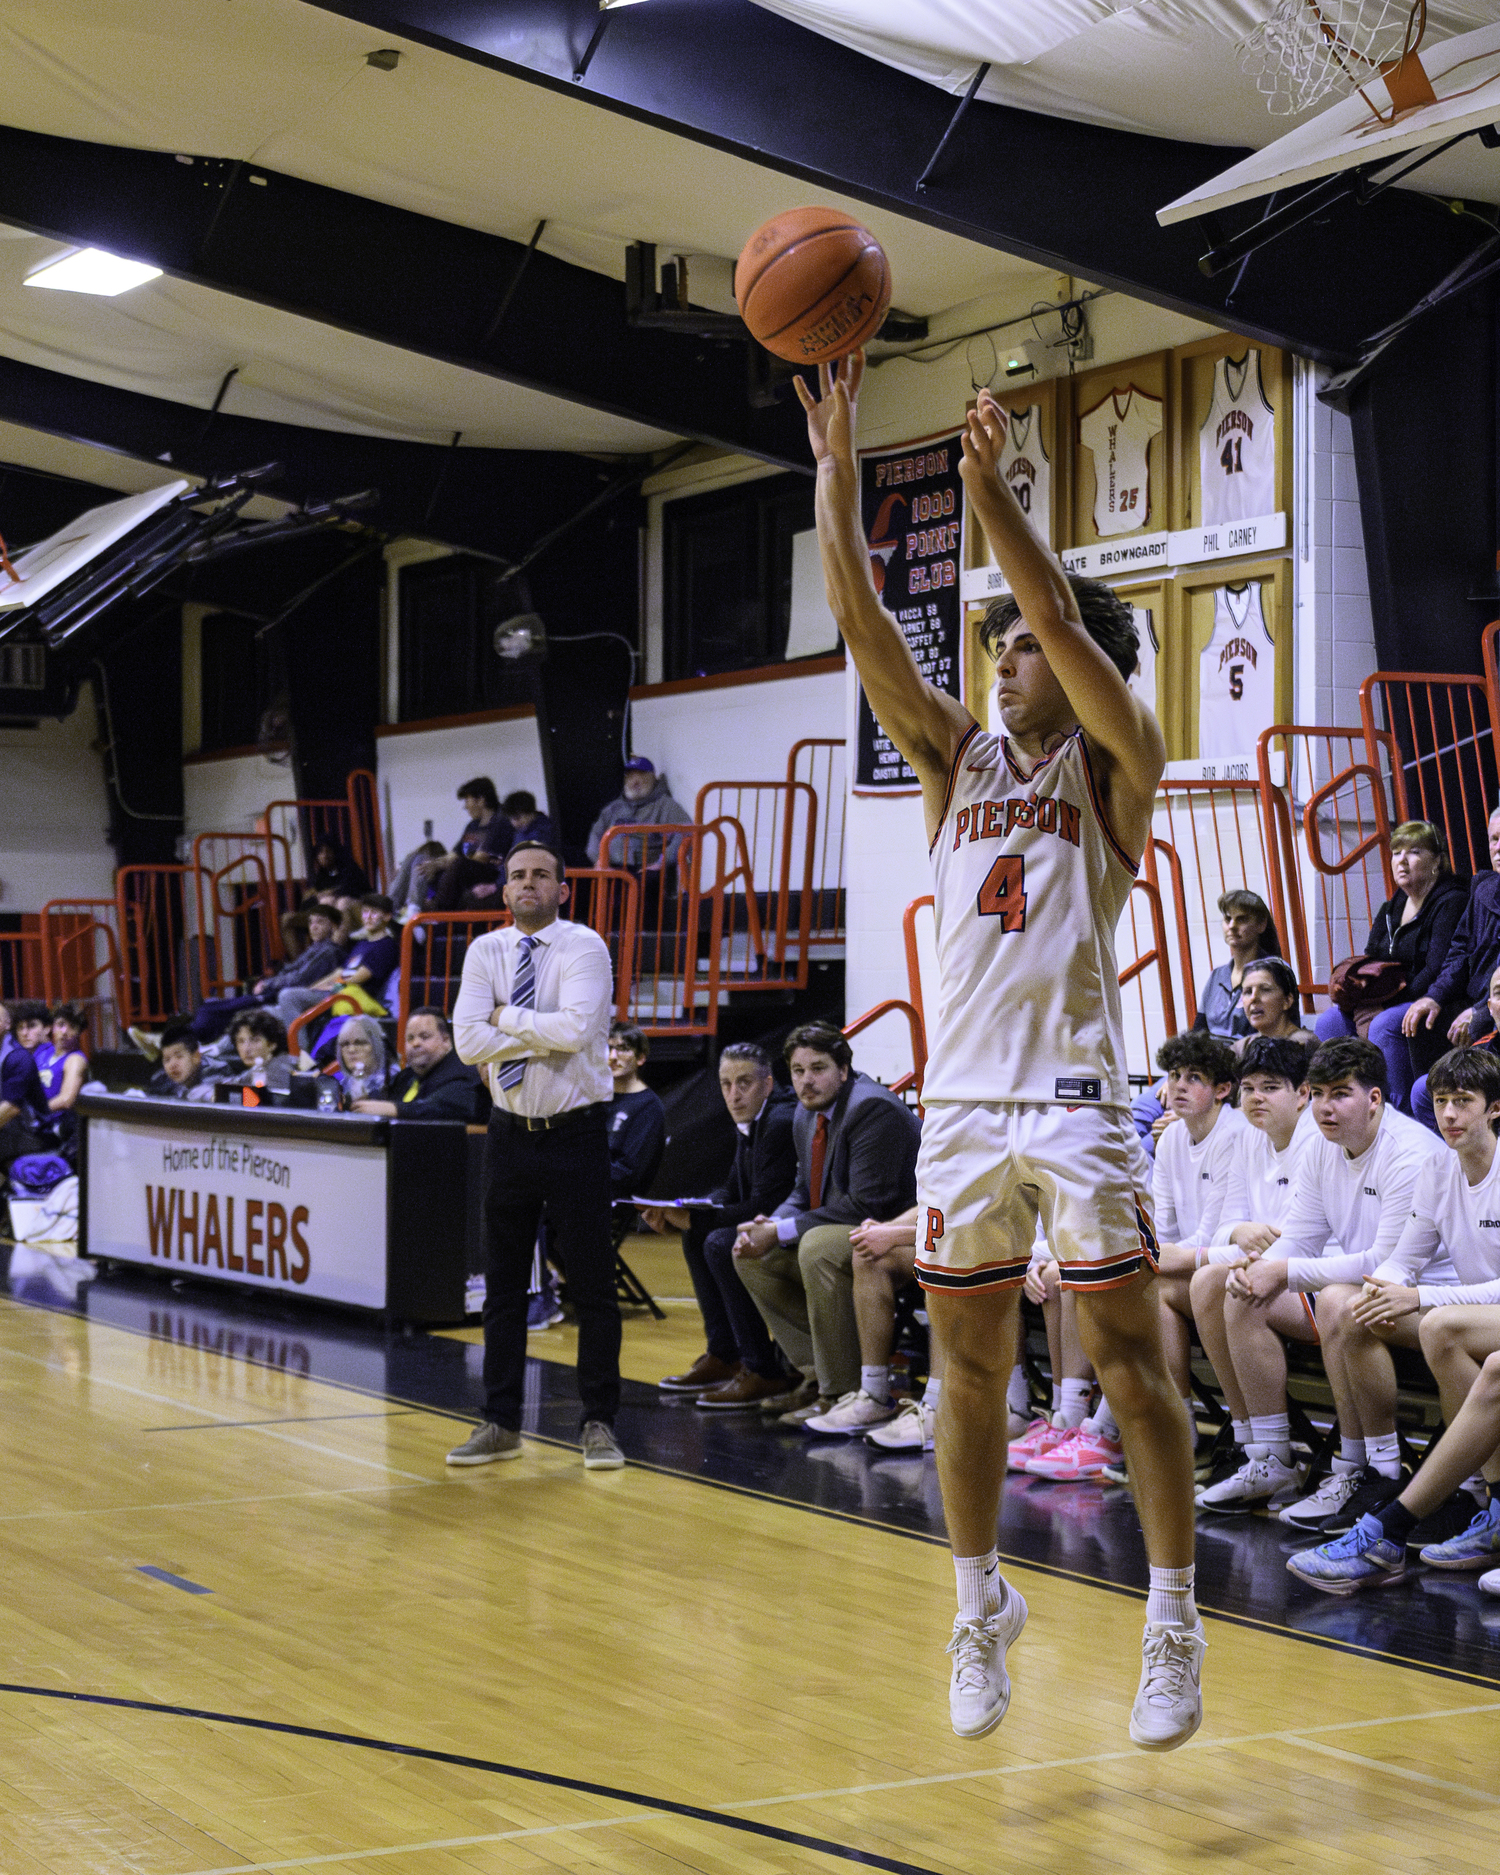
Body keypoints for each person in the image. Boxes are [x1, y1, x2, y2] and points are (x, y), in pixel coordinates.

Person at [799, 357, 1198, 1748]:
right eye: (1001, 646)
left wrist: (993, 494)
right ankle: (979, 1606)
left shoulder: (1120, 757)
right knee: (967, 1368)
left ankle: (1171, 1616)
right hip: (963, 1103)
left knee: (1136, 1363)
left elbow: (1051, 609)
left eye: (1022, 644)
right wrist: (839, 474)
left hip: (1080, 1098)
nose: (1003, 655)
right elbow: (863, 633)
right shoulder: (955, 757)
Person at [1286, 1047, 1500, 1592]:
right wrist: (1388, 1286)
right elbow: (1405, 1257)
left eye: (1464, 1103)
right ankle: (1383, 1473)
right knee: (1356, 1309)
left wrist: (1419, 1294)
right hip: (1472, 1311)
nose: (1449, 1115)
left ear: (1494, 1109)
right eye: (1443, 1102)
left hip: (1475, 1307)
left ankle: (1449, 1507)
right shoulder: (1437, 1169)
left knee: (1438, 1325)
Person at [447, 840, 625, 1471]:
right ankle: (498, 1423)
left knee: (592, 1287)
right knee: (502, 1285)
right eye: (518, 875)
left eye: (541, 876)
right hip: (508, 1131)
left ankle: (599, 1422)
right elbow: (467, 1043)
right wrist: (528, 1025)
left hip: (575, 1130)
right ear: (503, 890)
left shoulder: (584, 946)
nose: (529, 884)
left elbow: (577, 1030)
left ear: (562, 889)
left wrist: (503, 1015)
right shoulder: (484, 950)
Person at [1221, 1038, 1445, 1537]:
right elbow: (1301, 1235)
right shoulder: (1323, 1147)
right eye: (1319, 1093)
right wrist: (1260, 1267)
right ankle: (1272, 1457)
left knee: (1342, 1301)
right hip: (1369, 1297)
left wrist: (1283, 1272)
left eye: (1341, 1093)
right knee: (1235, 1291)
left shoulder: (1410, 1154)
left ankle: (1377, 1470)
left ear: (1374, 1100)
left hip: (1429, 1298)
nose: (1325, 1106)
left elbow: (1386, 1264)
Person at [730, 1023, 921, 1428]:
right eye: (798, 1071)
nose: (806, 1080)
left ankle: (844, 1390)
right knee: (751, 1255)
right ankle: (818, 1377)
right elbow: (803, 1189)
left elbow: (868, 1205)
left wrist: (782, 1232)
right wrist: (772, 1222)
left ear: (844, 1070)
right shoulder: (806, 1112)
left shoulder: (873, 1109)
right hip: (845, 1227)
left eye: (818, 1068)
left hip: (899, 1232)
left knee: (815, 1246)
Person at [1188, 1036, 1317, 1511]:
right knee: (1206, 1282)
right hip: (1267, 1267)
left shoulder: (1315, 1140)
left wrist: (1253, 1253)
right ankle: (1252, 1448)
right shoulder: (1246, 1138)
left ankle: (1276, 1459)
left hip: (1315, 1277)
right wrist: (1241, 1230)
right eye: (1248, 1088)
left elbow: (1306, 1238)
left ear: (1302, 1093)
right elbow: (1225, 1225)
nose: (1256, 1098)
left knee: (1238, 1292)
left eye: (1270, 1087)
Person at [652, 1043, 802, 1409]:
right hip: (778, 1218)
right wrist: (689, 1207)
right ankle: (725, 1354)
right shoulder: (752, 1116)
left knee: (718, 1242)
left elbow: (766, 1203)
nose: (733, 1095)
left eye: (744, 1083)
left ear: (768, 1084)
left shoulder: (780, 1121)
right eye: (725, 1084)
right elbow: (734, 1188)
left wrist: (699, 1218)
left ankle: (763, 1369)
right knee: (699, 1234)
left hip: (801, 1223)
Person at [1314, 820, 1466, 1111]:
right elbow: (1372, 957)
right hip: (1391, 997)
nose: (1402, 861)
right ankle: (1338, 1103)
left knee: (1384, 1024)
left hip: (1433, 999)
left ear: (1437, 860)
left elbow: (1436, 969)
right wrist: (1360, 997)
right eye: (1397, 853)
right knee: (1329, 1021)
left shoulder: (1452, 901)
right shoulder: (1392, 906)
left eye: (1414, 852)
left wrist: (1383, 1005)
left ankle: (1395, 1112)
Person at [1403, 805, 1500, 1078]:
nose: (1498, 847)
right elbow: (1459, 952)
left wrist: (1480, 1011)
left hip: (1491, 1007)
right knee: (1422, 1020)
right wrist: (1434, 996)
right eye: (1494, 839)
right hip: (1476, 999)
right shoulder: (1484, 889)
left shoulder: (1453, 896)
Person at [192, 901, 347, 1044]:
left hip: (280, 994)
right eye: (311, 922)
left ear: (333, 927)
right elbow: (290, 971)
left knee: (213, 1010)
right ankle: (198, 1041)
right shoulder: (316, 948)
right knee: (211, 1005)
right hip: (275, 991)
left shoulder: (328, 951)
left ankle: (192, 1039)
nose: (313, 926)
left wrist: (268, 983)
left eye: (319, 922)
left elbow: (300, 979)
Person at [275, 894, 400, 1034]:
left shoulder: (386, 946)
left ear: (387, 917)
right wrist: (313, 989)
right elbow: (339, 972)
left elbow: (356, 979)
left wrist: (329, 988)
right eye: (365, 912)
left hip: (352, 997)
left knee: (287, 996)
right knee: (275, 1011)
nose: (368, 917)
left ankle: (299, 1053)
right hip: (337, 991)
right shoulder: (362, 943)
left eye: (374, 913)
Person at [353, 1007, 487, 1121]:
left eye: (424, 1037)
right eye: (410, 1038)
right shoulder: (405, 1077)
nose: (415, 1043)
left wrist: (395, 1109)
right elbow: (377, 1100)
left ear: (446, 1041)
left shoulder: (463, 1071)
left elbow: (443, 1107)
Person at [586, 757, 690, 870]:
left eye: (642, 774)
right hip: (612, 869)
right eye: (630, 776)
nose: (635, 781)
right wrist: (599, 860)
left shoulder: (665, 805)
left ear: (653, 778)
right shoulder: (614, 808)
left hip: (645, 872)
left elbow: (686, 831)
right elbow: (596, 833)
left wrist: (660, 863)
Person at [427, 778, 514, 911]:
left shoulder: (501, 821)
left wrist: (449, 862)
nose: (465, 806)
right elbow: (454, 853)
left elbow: (482, 857)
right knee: (426, 865)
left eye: (467, 800)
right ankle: (411, 909)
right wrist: (436, 864)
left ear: (481, 800)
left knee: (459, 865)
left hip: (492, 871)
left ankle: (438, 913)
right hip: (469, 869)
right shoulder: (472, 825)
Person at [605, 1022, 666, 1204]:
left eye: (623, 1049)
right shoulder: (596, 1098)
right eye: (609, 1049)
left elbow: (629, 1173)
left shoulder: (648, 1106)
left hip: (611, 1198)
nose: (612, 1057)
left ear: (640, 1058)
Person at [1233, 957, 1316, 1057]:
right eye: (1248, 992)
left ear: (1287, 1001)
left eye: (1265, 990)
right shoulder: (1239, 1049)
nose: (1253, 998)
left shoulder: (1306, 1045)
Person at [0, 1001, 47, 1173]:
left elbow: (11, 1108)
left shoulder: (18, 1057)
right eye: (22, 1028)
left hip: (29, 1134)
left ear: (7, 1024)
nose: (25, 1033)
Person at [36, 1002, 90, 1129]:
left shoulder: (75, 1059)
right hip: (34, 1123)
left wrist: (33, 1112)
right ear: (53, 1027)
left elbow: (66, 1100)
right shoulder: (44, 1051)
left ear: (79, 1032)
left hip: (54, 1127)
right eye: (60, 1025)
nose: (64, 1031)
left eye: (72, 1027)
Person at [222, 1010, 298, 1094]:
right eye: (241, 1041)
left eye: (255, 1040)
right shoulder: (257, 1070)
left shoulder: (279, 1071)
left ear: (272, 1044)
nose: (246, 1049)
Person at [145, 1026, 224, 1101]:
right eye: (167, 1059)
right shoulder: (160, 1079)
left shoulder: (216, 1072)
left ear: (196, 1057)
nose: (172, 1065)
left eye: (179, 1056)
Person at [329, 1015, 390, 1104]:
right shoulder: (343, 1084)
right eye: (345, 1044)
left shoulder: (393, 1081)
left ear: (376, 1045)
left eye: (360, 1043)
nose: (351, 1050)